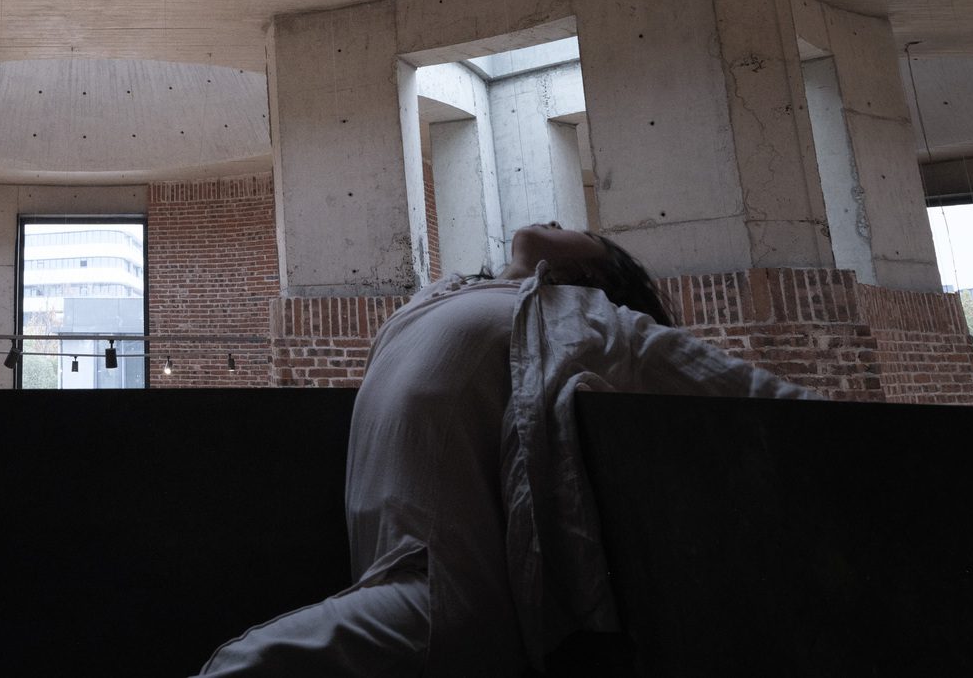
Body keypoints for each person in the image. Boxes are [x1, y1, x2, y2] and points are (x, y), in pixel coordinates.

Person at [195, 222, 821, 676]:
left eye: (581, 230)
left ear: (594, 273)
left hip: (445, 596)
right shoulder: (442, 295)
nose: (554, 219)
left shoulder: (594, 315)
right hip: (377, 568)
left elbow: (744, 390)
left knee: (246, 665)